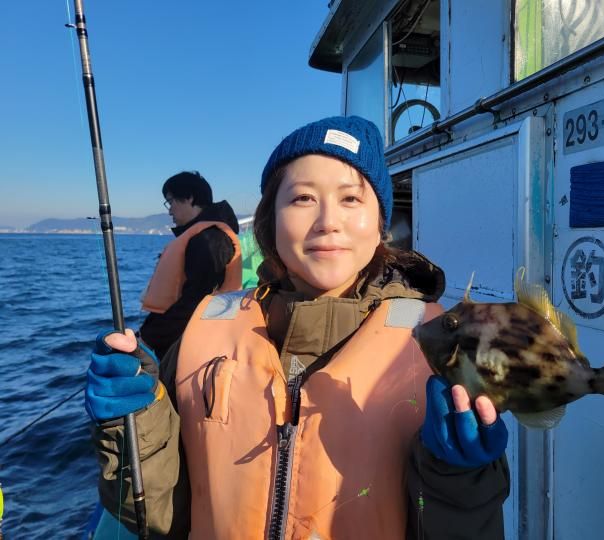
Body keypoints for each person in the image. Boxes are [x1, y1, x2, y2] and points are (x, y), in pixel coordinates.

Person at [85, 116, 509, 539]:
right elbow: (158, 514)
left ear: (380, 222)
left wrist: (460, 480)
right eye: (303, 198)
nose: (328, 221)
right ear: (269, 219)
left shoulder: (438, 346)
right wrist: (134, 422)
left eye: (351, 199)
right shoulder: (202, 333)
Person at [138, 171, 242, 361]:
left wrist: (148, 337)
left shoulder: (210, 239)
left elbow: (197, 300)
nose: (169, 211)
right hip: (178, 342)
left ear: (189, 198)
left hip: (192, 348)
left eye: (171, 202)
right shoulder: (202, 236)